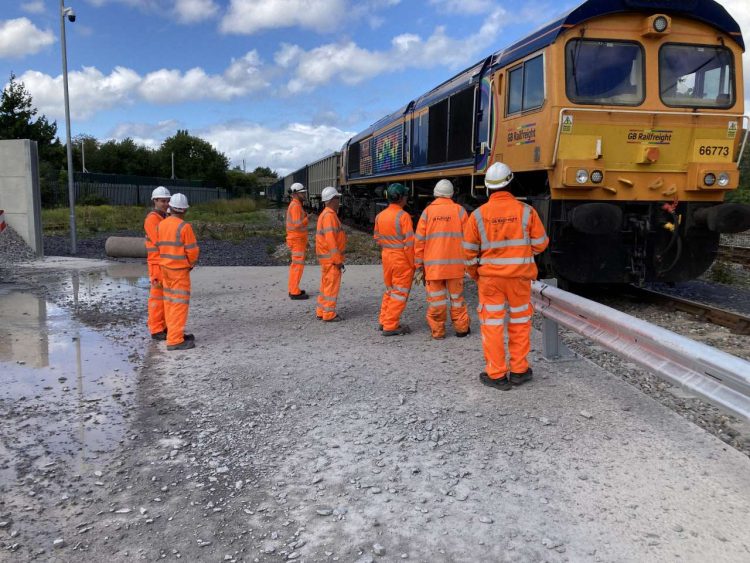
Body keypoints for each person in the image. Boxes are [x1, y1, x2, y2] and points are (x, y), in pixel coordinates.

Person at [463, 162, 549, 390]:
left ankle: (497, 374)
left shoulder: (478, 215)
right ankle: (520, 370)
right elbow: (541, 245)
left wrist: (475, 274)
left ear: (487, 188)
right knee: (520, 323)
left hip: (490, 280)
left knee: (492, 325)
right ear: (510, 183)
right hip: (520, 278)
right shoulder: (527, 212)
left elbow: (469, 253)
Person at [414, 179, 470, 340]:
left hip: (434, 269)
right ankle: (462, 329)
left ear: (436, 194)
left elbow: (419, 241)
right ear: (451, 194)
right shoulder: (460, 211)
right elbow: (469, 239)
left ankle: (438, 332)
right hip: (456, 268)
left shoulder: (427, 212)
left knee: (436, 302)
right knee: (457, 300)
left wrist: (419, 265)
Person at [157, 193, 200, 351]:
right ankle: (175, 340)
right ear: (184, 210)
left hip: (165, 269)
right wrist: (190, 263)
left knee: (169, 303)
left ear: (170, 208)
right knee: (179, 305)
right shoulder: (184, 227)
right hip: (179, 271)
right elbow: (192, 251)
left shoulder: (162, 224)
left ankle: (173, 334)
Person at [373, 183, 415, 336]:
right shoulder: (403, 217)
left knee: (390, 290)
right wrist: (413, 264)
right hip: (401, 259)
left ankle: (384, 320)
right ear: (401, 198)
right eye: (405, 195)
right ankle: (390, 325)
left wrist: (388, 247)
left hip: (387, 257)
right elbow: (409, 244)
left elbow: (377, 237)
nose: (406, 198)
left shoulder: (380, 216)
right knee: (400, 292)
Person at [316, 186, 347, 322]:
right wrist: (337, 260)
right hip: (331, 259)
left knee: (325, 285)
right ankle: (328, 314)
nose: (339, 201)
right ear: (332, 200)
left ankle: (321, 310)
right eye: (337, 198)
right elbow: (331, 241)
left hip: (326, 259)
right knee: (331, 286)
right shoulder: (329, 216)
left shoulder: (325, 214)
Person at [144, 186, 171, 340]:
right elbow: (160, 241)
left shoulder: (164, 217)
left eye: (167, 200)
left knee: (165, 298)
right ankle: (156, 329)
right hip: (157, 265)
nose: (165, 203)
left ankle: (165, 326)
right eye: (162, 201)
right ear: (155, 201)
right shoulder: (152, 219)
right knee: (157, 299)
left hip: (164, 264)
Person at [286, 182, 309, 300]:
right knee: (297, 266)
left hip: (297, 239)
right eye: (302, 193)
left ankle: (294, 289)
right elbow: (297, 225)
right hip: (296, 240)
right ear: (295, 194)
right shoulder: (295, 206)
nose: (304, 194)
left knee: (296, 265)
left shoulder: (296, 205)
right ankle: (294, 292)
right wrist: (306, 219)